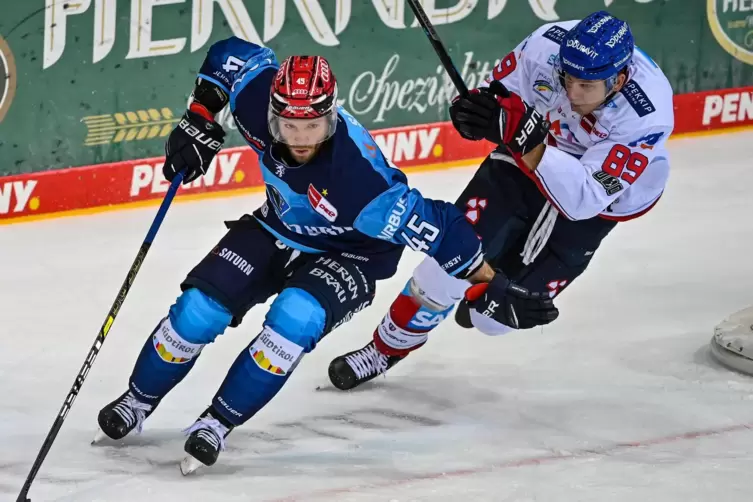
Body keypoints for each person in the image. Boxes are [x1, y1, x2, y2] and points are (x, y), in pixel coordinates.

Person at [93, 39, 558, 473]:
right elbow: (228, 58)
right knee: (196, 313)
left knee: (292, 320)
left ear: (330, 117)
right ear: (272, 114)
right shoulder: (257, 100)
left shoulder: (363, 188)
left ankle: (216, 422)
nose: (299, 136)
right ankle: (136, 402)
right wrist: (199, 117)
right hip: (278, 227)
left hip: (353, 252)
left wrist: (489, 281)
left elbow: (444, 229)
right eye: (289, 125)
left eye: (312, 125)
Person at [328, 11, 674, 390]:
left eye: (586, 86)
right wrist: (475, 113)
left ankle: (478, 294)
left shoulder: (647, 114)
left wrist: (528, 139)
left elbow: (582, 199)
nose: (572, 93)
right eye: (567, 79)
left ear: (618, 80)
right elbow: (497, 93)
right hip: (523, 165)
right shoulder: (546, 45)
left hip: (597, 204)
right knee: (446, 266)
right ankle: (383, 350)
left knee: (495, 319)